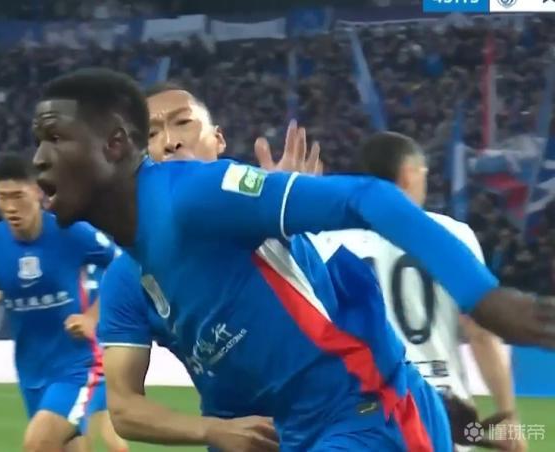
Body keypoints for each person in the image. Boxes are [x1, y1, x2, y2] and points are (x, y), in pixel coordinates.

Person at [31, 68, 555, 451]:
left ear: (217, 139)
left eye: (183, 124)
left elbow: (368, 198)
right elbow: (124, 406)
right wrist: (212, 430)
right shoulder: (129, 276)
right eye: (152, 133)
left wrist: (484, 298)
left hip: (364, 415)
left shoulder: (205, 194)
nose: (168, 142)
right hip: (281, 434)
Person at [310, 131, 526, 452]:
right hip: (441, 412)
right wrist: (508, 415)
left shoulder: (324, 242)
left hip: (361, 414)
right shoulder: (451, 234)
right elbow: (481, 334)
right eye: (424, 172)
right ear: (409, 174)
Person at [0, 154, 127, 452]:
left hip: (77, 364)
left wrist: (92, 316)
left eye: (18, 196)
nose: (10, 207)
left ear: (37, 191)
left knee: (37, 443)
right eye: (3, 197)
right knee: (67, 446)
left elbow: (125, 266)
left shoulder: (70, 231)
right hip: (30, 368)